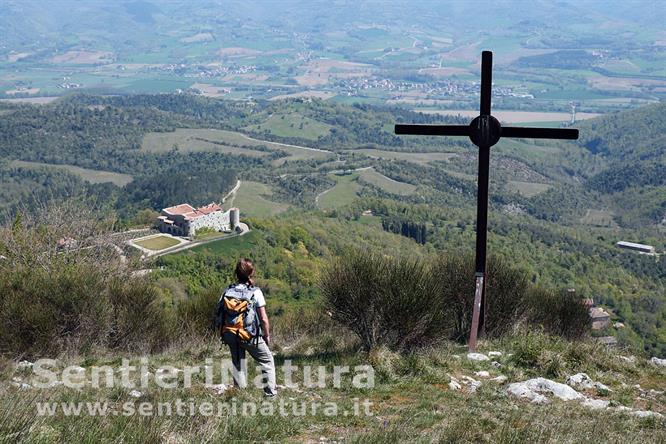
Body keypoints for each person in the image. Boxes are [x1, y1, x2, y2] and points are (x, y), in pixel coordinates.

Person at [221, 258, 277, 397]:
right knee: (267, 361)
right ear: (251, 274)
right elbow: (263, 319)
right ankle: (270, 395)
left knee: (238, 363)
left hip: (231, 334)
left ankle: (240, 396)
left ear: (236, 273)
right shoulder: (255, 292)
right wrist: (266, 335)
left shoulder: (227, 291)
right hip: (248, 335)